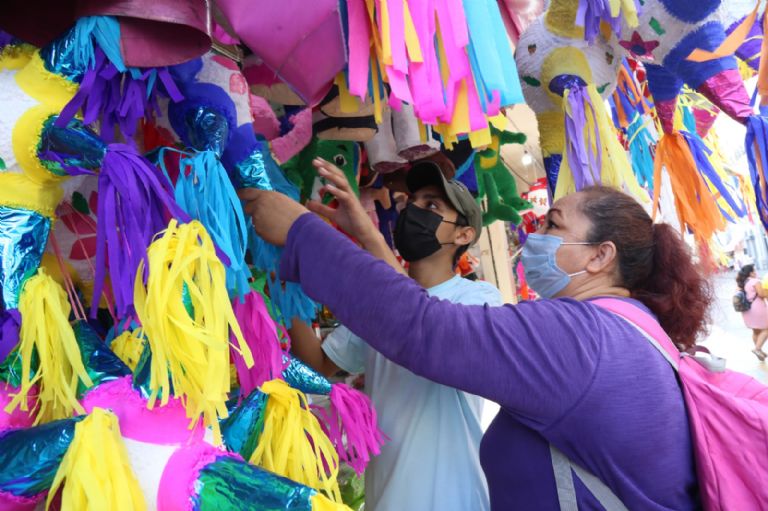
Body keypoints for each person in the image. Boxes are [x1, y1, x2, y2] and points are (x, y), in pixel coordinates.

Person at [240, 178, 708, 509]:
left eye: (552, 225)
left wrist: (305, 235)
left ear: (600, 256)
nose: (534, 236)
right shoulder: (625, 331)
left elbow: (424, 329)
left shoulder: (579, 336)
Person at [288, 159, 501, 511]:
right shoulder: (379, 301)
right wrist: (289, 278)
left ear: (464, 235)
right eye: (412, 201)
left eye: (432, 205)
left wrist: (365, 233)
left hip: (452, 499)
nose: (413, 209)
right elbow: (318, 364)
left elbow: (421, 318)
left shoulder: (479, 300)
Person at [735, 264, 768, 360]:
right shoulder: (755, 281)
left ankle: (759, 351)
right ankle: (757, 349)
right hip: (757, 308)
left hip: (746, 309)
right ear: (751, 273)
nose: (756, 272)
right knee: (766, 329)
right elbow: (762, 294)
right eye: (754, 271)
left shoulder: (742, 282)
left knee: (756, 331)